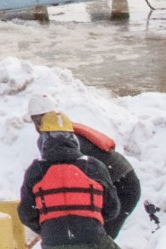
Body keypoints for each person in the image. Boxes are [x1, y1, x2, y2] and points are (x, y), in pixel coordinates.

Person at [26, 94, 140, 231]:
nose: (38, 124)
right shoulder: (66, 134)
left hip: (122, 185)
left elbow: (63, 178)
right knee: (91, 235)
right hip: (122, 180)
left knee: (95, 235)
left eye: (38, 120)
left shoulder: (57, 141)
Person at [19, 111, 122, 247]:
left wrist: (50, 227)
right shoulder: (93, 166)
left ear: (43, 140)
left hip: (54, 242)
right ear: (73, 138)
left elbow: (26, 214)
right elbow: (112, 209)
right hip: (93, 240)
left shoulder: (35, 170)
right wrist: (88, 221)